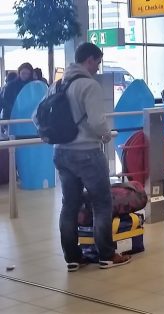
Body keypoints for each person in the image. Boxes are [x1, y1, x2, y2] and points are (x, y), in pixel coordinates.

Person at [40, 43, 131, 271]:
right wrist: (106, 135)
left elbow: (37, 115)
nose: (98, 68)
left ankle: (73, 258)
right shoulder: (89, 86)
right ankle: (107, 256)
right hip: (87, 153)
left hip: (61, 152)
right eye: (98, 62)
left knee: (69, 204)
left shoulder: (57, 85)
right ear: (89, 60)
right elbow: (96, 121)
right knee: (101, 203)